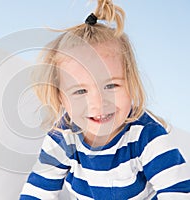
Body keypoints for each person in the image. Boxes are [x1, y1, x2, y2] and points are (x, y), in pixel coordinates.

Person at [19, 0, 190, 199]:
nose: (98, 103)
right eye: (80, 91)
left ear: (130, 83)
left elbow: (178, 191)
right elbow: (38, 190)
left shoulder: (146, 136)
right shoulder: (63, 137)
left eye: (111, 86)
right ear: (61, 98)